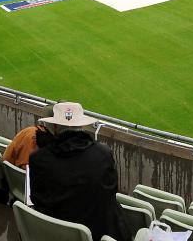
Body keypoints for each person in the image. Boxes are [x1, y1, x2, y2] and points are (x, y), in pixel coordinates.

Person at [28, 102, 130, 241]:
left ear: (56, 127)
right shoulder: (103, 153)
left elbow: (37, 199)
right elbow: (110, 193)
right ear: (81, 125)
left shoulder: (38, 158)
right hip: (98, 233)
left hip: (55, 234)